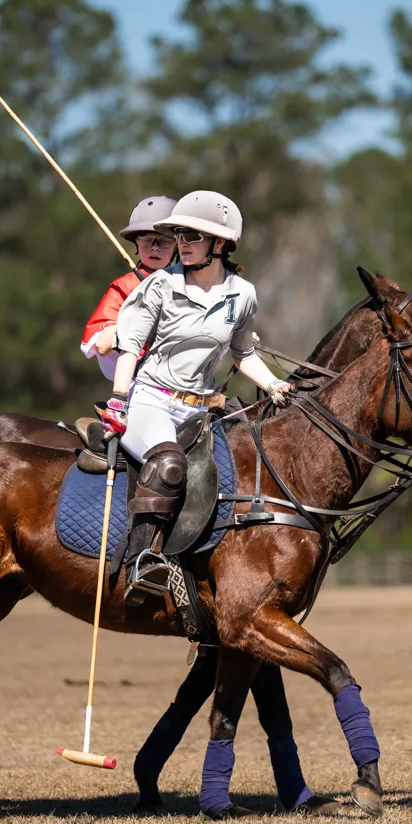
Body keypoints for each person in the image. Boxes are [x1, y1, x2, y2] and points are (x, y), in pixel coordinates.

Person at [101, 190, 293, 605]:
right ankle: (142, 560)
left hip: (201, 411)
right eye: (179, 236)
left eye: (191, 236)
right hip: (150, 400)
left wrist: (275, 384)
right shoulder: (159, 286)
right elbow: (130, 346)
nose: (180, 244)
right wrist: (118, 400)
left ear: (219, 244)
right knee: (168, 462)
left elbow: (242, 352)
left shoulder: (242, 295)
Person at [80, 196, 178, 381]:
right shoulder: (124, 286)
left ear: (177, 247)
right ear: (136, 244)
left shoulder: (192, 284)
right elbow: (101, 345)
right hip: (140, 386)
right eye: (147, 241)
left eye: (164, 242)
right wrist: (144, 316)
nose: (154, 248)